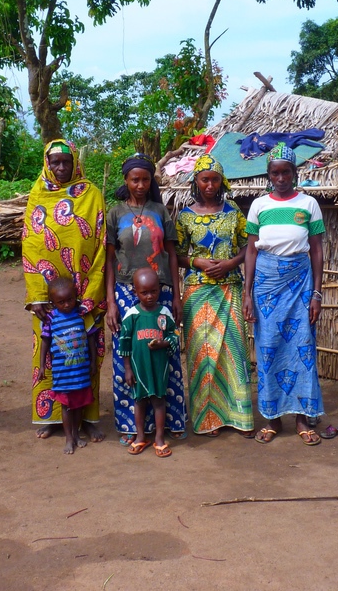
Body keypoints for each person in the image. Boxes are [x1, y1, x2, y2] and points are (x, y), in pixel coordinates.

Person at [23, 140, 107, 442]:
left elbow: (99, 245)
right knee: (50, 358)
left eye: (66, 162)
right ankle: (52, 417)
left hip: (83, 296)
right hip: (49, 300)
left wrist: (92, 295)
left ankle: (88, 418)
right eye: (55, 162)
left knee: (86, 356)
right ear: (47, 163)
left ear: (75, 163)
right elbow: (30, 244)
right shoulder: (37, 194)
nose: (61, 168)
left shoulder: (92, 195)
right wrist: (37, 297)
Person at [243, 142, 326, 446]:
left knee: (302, 346)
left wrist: (316, 293)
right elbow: (251, 251)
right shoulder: (259, 205)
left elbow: (316, 250)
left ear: (295, 172)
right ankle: (272, 418)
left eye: (286, 172)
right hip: (266, 285)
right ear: (269, 174)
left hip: (300, 283)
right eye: (275, 173)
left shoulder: (309, 204)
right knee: (268, 348)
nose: (281, 178)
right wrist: (248, 292)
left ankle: (303, 417)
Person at [105, 154, 186, 442]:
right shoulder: (115, 213)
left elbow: (172, 255)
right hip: (127, 293)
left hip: (160, 291)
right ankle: (133, 428)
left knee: (164, 353)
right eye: (134, 179)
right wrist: (111, 302)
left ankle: (170, 425)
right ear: (125, 180)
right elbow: (110, 260)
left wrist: (176, 295)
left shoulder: (161, 212)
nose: (140, 185)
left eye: (145, 179)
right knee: (128, 355)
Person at [175, 154, 254, 437]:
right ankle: (207, 419)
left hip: (229, 287)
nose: (209, 184)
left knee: (234, 351)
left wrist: (232, 263)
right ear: (195, 181)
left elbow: (249, 246)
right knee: (201, 354)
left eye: (214, 179)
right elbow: (177, 254)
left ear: (222, 181)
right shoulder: (185, 216)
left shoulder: (233, 211)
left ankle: (239, 417)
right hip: (197, 291)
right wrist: (197, 262)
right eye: (204, 179)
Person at [118, 268, 178, 457]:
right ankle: (140, 436)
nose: (150, 296)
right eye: (144, 292)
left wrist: (164, 343)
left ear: (159, 289)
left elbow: (174, 335)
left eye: (154, 291)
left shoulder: (164, 313)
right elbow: (124, 343)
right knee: (140, 401)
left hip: (159, 368)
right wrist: (128, 369)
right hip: (139, 368)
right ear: (136, 292)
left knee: (159, 401)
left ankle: (159, 438)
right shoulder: (132, 315)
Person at [35, 277, 96, 455]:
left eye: (69, 299)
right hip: (62, 373)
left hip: (81, 371)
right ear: (52, 303)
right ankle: (69, 438)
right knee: (66, 406)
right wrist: (41, 366)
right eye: (61, 302)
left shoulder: (82, 314)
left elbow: (91, 337)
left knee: (78, 405)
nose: (67, 304)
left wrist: (93, 361)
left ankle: (76, 435)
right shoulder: (51, 318)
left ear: (76, 296)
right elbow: (45, 342)